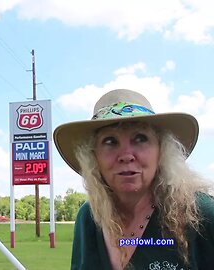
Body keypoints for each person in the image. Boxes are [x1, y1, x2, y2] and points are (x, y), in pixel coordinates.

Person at [53, 89, 214, 269]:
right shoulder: (90, 217)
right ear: (93, 157)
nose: (126, 155)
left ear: (161, 151)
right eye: (110, 141)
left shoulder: (202, 214)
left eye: (140, 138)